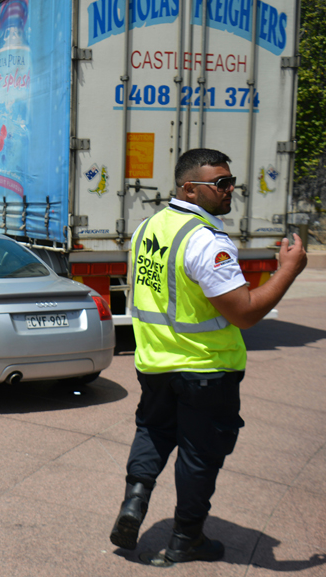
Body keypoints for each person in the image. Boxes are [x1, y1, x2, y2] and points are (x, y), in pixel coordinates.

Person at [109, 148, 307, 563]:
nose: (230, 189)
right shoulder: (206, 240)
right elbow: (245, 312)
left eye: (231, 181)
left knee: (153, 432)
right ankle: (187, 538)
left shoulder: (148, 227)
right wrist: (287, 270)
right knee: (200, 455)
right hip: (205, 369)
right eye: (221, 183)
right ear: (190, 188)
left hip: (155, 364)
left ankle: (135, 503)